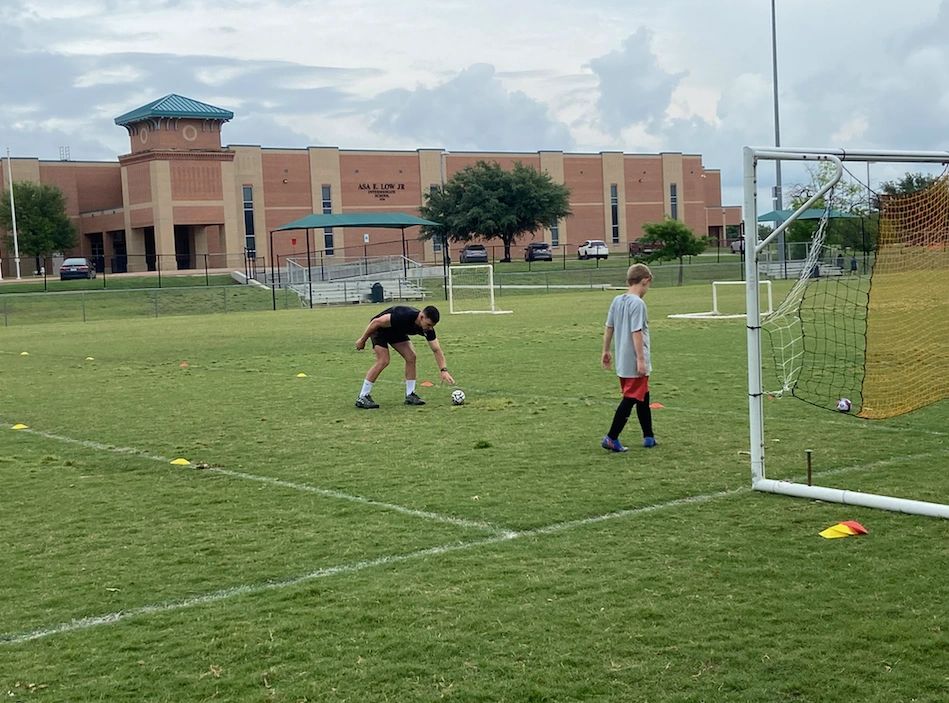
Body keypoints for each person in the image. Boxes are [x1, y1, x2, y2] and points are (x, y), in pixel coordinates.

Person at [354, 304, 455, 408]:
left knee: (411, 357)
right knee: (383, 360)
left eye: (432, 326)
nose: (430, 328)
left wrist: (443, 370)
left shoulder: (428, 330)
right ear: (421, 317)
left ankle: (410, 395)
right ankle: (362, 396)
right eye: (428, 324)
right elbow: (376, 322)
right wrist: (362, 340)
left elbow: (436, 349)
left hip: (396, 331)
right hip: (379, 329)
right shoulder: (403, 315)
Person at [601, 263, 656, 451]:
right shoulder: (638, 303)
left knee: (643, 396)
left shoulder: (617, 300)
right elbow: (637, 331)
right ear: (645, 281)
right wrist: (641, 360)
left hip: (622, 360)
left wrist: (606, 350)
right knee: (631, 397)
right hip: (634, 360)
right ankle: (611, 437)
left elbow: (609, 326)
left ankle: (648, 436)